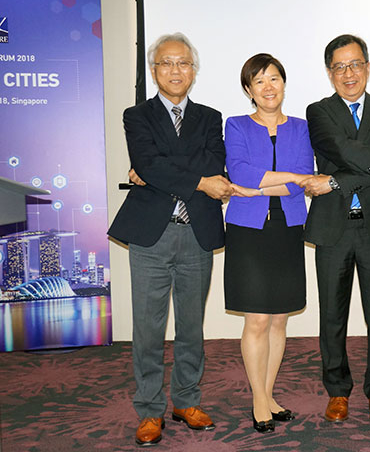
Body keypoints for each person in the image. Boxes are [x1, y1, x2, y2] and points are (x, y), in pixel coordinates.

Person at [108, 32, 233, 446]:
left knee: (191, 327)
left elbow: (215, 162)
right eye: (166, 63)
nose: (175, 70)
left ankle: (185, 400)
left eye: (183, 63)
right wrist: (196, 178)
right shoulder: (137, 115)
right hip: (151, 237)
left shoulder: (210, 117)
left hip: (195, 232)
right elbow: (150, 164)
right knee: (148, 329)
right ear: (154, 70)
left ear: (193, 71)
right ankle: (149, 410)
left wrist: (161, 170)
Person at [302, 34, 370, 423]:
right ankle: (338, 390)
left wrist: (334, 181)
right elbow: (344, 151)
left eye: (356, 64)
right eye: (340, 66)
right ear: (330, 72)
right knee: (332, 315)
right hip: (334, 227)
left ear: (368, 66)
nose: (349, 73)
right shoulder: (319, 111)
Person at [223, 53, 314, 433]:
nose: (268, 87)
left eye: (274, 78)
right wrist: (279, 181)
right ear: (249, 90)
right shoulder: (237, 125)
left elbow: (306, 177)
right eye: (259, 81)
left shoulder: (301, 127)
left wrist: (257, 186)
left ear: (284, 83)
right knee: (257, 318)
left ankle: (269, 393)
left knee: (279, 319)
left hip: (289, 228)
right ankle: (259, 399)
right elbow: (240, 172)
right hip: (248, 231)